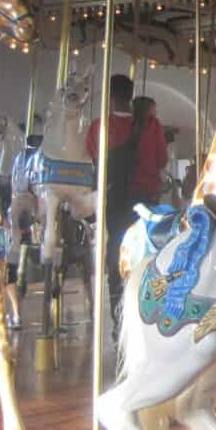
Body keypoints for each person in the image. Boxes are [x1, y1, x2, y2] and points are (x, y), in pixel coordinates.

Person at [85, 75, 169, 333]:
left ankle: (118, 318)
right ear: (130, 96)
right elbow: (163, 160)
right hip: (147, 198)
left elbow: (92, 157)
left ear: (109, 97)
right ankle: (149, 312)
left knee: (116, 254)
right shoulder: (151, 125)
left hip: (116, 200)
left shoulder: (100, 125)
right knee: (149, 255)